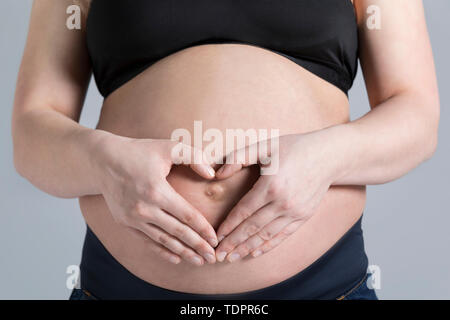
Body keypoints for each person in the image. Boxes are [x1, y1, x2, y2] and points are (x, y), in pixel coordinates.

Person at [12, 0, 439, 300]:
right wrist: (103, 163)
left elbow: (416, 114)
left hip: (323, 288)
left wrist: (323, 159)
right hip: (121, 289)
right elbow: (32, 133)